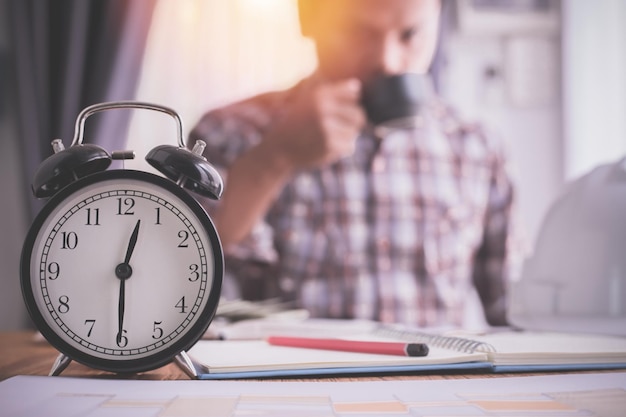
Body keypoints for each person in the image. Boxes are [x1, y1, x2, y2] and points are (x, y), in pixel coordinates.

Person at [188, 0, 517, 327]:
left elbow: (516, 309)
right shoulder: (226, 133)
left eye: (410, 34)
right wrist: (276, 157)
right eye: (360, 32)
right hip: (292, 379)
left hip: (439, 378)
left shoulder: (477, 146)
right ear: (307, 17)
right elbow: (184, 282)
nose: (387, 61)